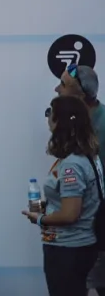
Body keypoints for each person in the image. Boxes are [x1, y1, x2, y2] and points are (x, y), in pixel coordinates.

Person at [24, 95, 103, 296]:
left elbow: (70, 214)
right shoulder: (87, 157)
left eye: (50, 112)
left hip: (68, 249)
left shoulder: (72, 165)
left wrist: (40, 218)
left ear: (60, 121)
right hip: (76, 248)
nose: (47, 117)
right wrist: (49, 206)